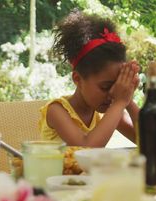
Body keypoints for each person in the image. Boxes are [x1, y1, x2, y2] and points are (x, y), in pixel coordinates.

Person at [39, 11, 140, 147]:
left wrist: (128, 98)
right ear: (77, 79)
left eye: (118, 85)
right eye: (105, 87)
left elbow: (150, 143)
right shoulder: (56, 111)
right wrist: (119, 102)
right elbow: (86, 148)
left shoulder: (106, 110)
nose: (113, 93)